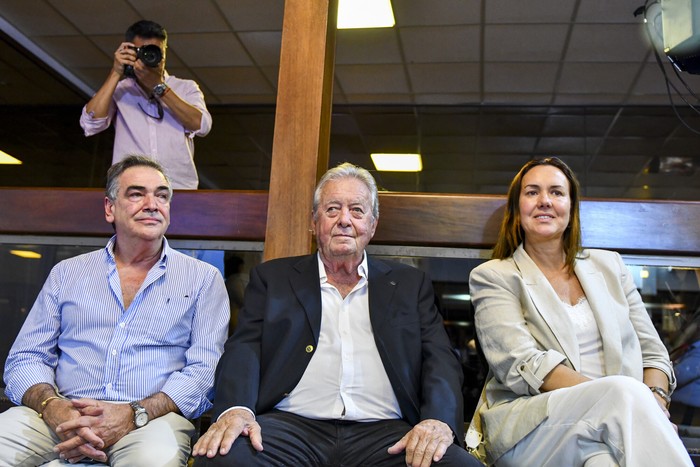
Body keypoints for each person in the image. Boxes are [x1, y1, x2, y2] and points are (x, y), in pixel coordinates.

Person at [192, 162, 480, 466]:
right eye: (332, 210)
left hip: (386, 434)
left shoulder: (409, 284)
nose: (344, 220)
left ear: (372, 224)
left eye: (356, 210)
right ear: (315, 222)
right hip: (290, 426)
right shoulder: (273, 279)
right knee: (220, 460)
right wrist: (237, 410)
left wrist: (437, 420)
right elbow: (244, 348)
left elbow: (439, 358)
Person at [0, 155, 230, 466]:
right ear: (110, 208)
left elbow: (205, 371)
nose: (152, 204)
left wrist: (134, 413)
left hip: (152, 421)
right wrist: (54, 407)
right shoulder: (67, 273)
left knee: (154, 460)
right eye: (136, 194)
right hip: (62, 414)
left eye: (161, 195)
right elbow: (26, 357)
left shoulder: (203, 279)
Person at [466, 157, 692, 466]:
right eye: (532, 192)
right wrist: (622, 402)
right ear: (517, 212)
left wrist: (651, 403)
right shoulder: (494, 276)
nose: (545, 200)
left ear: (571, 210)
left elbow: (653, 353)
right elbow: (523, 364)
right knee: (621, 394)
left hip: (615, 420)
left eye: (557, 192)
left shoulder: (609, 266)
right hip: (536, 427)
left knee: (604, 463)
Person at [80, 20, 212, 189]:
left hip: (177, 188)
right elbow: (89, 124)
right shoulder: (120, 90)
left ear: (164, 52)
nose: (149, 58)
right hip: (131, 188)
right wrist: (115, 72)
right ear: (129, 51)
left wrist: (160, 87)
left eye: (155, 52)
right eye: (142, 52)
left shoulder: (185, 87)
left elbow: (202, 126)